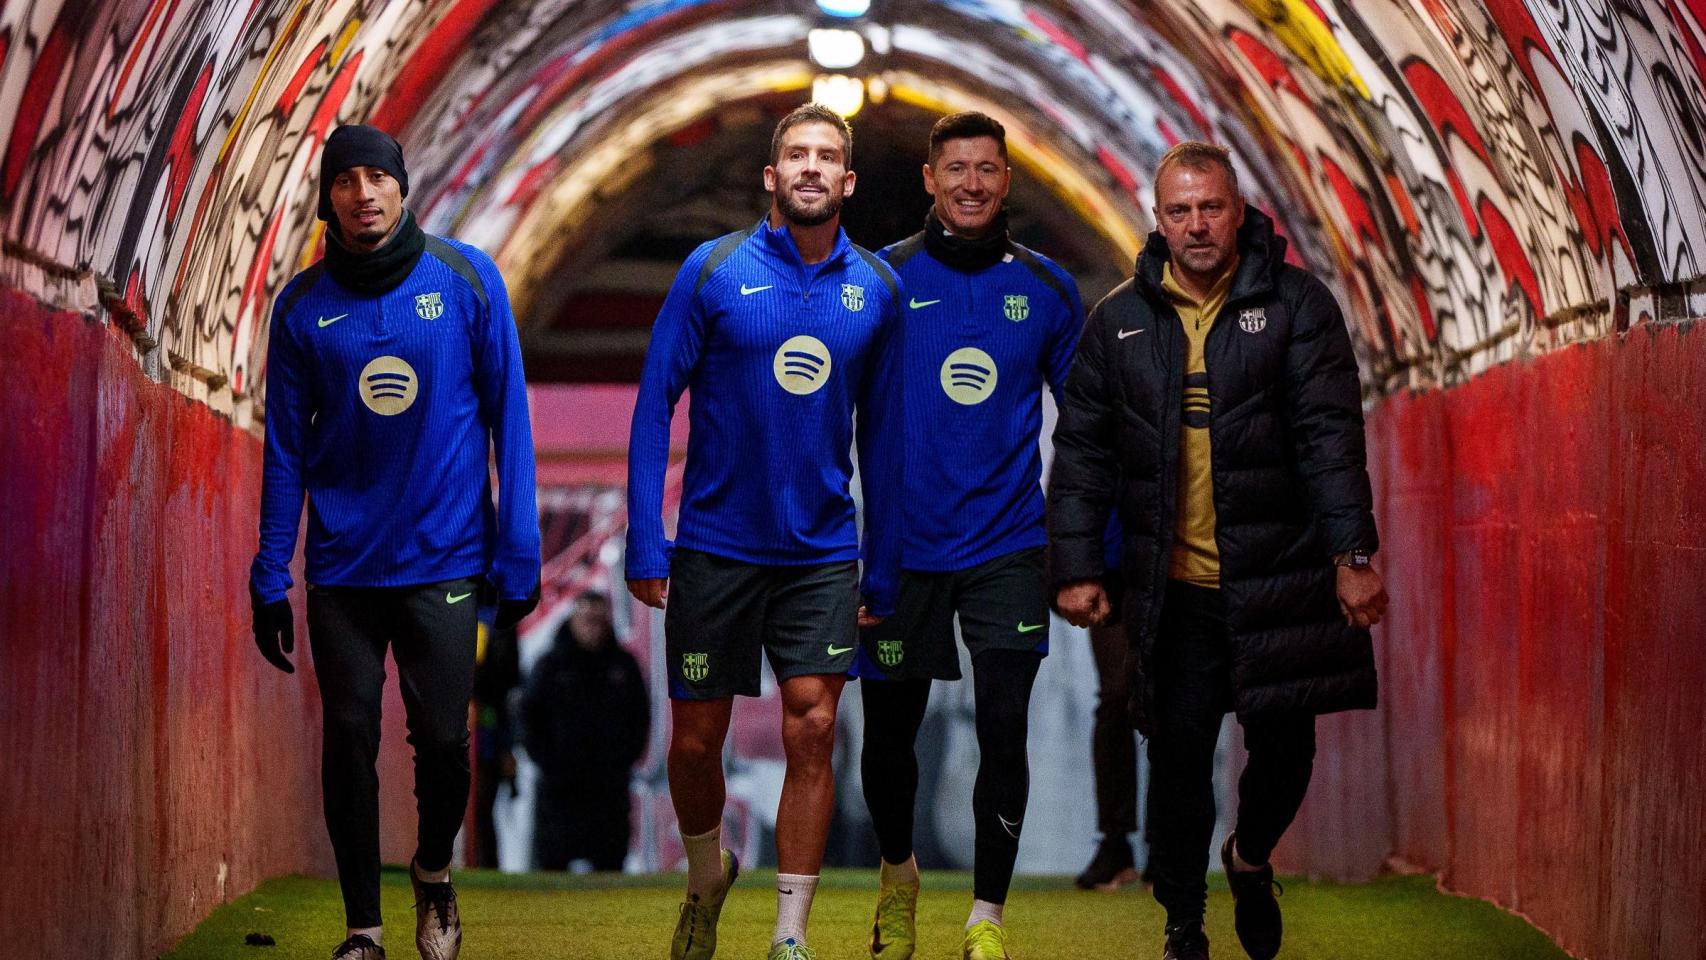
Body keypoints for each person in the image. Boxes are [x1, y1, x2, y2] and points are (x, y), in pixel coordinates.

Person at [1046, 140, 1388, 960]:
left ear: (1238, 212)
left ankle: (1251, 854)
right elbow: (1083, 454)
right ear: (1155, 219)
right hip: (1174, 586)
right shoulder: (1119, 322)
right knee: (1178, 754)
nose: (1196, 225)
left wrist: (1352, 553)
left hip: (1283, 574)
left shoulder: (1300, 307)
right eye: (1179, 210)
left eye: (1210, 208)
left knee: (1286, 748)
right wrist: (1078, 566)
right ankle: (1183, 923)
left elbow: (1328, 436)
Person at [248, 124, 541, 960]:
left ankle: (434, 871)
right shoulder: (302, 309)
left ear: (403, 187)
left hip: (446, 559)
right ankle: (363, 930)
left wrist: (516, 552)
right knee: (347, 737)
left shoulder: (465, 280)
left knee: (446, 741)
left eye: (378, 177)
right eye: (347, 180)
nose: (364, 193)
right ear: (328, 197)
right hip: (342, 566)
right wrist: (272, 571)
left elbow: (508, 423)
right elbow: (284, 450)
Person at [625, 102, 905, 960]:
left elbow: (886, 437)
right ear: (771, 176)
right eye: (797, 155)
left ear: (849, 181)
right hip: (715, 544)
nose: (812, 167)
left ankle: (789, 935)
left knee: (813, 728)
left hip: (823, 552)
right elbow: (651, 408)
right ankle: (708, 873)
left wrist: (884, 561)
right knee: (697, 739)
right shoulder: (712, 270)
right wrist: (646, 537)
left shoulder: (878, 290)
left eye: (828, 156)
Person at [852, 111, 1083, 960]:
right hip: (900, 552)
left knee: (1004, 727)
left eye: (988, 169)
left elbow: (1088, 430)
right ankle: (900, 875)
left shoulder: (1049, 290)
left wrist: (1082, 550)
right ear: (929, 178)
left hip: (1008, 548)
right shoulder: (880, 281)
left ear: (1007, 179)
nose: (972, 184)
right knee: (888, 739)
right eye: (957, 168)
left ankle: (986, 916)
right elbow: (824, 413)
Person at [520, 591, 649, 871]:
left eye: (598, 621)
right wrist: (545, 758)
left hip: (608, 789)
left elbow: (640, 717)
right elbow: (529, 716)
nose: (593, 627)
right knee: (553, 873)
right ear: (573, 621)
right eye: (587, 620)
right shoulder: (550, 667)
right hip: (560, 789)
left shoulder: (623, 667)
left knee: (610, 869)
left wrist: (624, 759)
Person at [1074, 513, 1150, 892]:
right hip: (1111, 570)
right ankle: (1116, 842)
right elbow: (1074, 483)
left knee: (1174, 704)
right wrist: (1074, 569)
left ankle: (1167, 844)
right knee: (1116, 699)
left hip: (1173, 563)